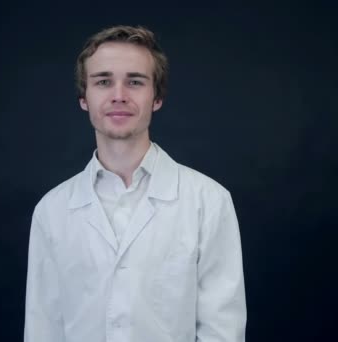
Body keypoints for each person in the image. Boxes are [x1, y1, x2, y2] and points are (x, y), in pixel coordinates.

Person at [24, 25, 246, 342]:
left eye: (135, 81)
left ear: (156, 97)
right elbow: (42, 327)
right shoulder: (52, 210)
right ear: (83, 98)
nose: (118, 95)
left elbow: (222, 329)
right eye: (103, 81)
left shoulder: (208, 200)